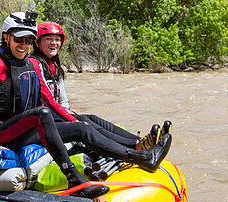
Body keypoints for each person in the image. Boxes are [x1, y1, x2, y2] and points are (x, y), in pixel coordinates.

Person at [0, 11, 171, 200]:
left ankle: (141, 156)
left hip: (22, 129)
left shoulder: (27, 63)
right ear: (6, 37)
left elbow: (46, 98)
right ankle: (74, 179)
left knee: (82, 128)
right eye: (19, 39)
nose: (24, 45)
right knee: (42, 114)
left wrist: (74, 120)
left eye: (29, 40)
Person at [34, 21, 171, 150]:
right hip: (46, 120)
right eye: (48, 39)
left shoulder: (55, 67)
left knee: (92, 118)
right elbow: (47, 100)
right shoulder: (34, 64)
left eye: (57, 39)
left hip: (58, 114)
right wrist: (70, 118)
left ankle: (141, 140)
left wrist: (66, 111)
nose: (54, 43)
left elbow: (63, 99)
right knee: (84, 123)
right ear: (38, 42)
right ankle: (135, 145)